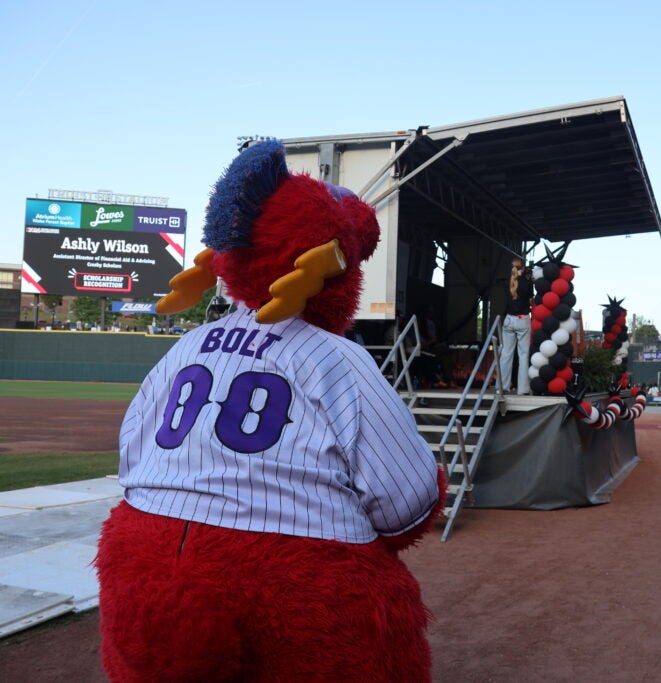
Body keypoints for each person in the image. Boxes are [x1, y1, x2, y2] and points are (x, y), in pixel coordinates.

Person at [95, 141, 443, 682]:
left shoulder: (187, 346)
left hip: (146, 555)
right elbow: (408, 503)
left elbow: (131, 456)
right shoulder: (336, 358)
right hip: (294, 573)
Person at [499, 256, 533, 394]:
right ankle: (522, 389)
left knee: (506, 354)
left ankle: (502, 387)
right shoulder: (528, 283)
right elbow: (531, 302)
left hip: (508, 319)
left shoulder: (506, 282)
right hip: (522, 319)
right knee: (523, 355)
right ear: (523, 268)